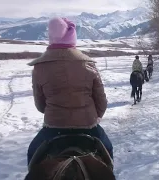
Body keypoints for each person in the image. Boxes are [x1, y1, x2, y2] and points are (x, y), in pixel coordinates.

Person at [26, 17, 113, 165]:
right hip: (88, 126)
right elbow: (101, 101)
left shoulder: (39, 67)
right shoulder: (88, 64)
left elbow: (40, 105)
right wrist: (96, 117)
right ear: (72, 38)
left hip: (54, 127)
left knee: (32, 152)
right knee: (108, 149)